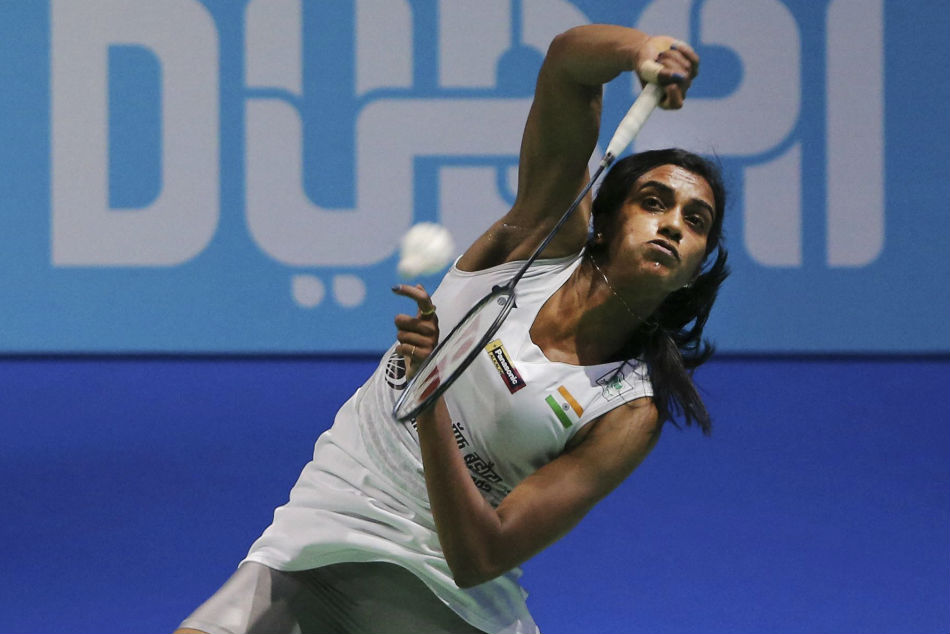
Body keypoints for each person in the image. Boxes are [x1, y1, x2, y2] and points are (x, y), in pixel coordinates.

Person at [175, 23, 728, 634]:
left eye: (695, 220)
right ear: (604, 223)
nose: (672, 224)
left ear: (696, 269)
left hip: (446, 603)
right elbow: (568, 66)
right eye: (653, 202)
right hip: (321, 537)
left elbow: (481, 557)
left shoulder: (627, 410)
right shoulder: (537, 243)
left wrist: (430, 391)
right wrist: (638, 51)